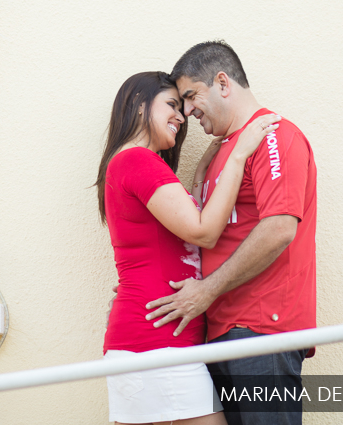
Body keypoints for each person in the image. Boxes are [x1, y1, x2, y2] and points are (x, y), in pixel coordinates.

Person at [144, 41, 317, 425]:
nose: (187, 112)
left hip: (260, 331)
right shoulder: (225, 149)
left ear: (223, 83)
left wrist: (206, 291)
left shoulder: (273, 135)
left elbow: (279, 228)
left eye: (190, 96)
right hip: (223, 331)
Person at [96, 71, 280, 425]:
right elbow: (203, 232)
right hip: (157, 344)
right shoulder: (137, 160)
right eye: (171, 105)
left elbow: (172, 236)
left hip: (150, 341)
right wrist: (240, 154)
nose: (181, 117)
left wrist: (200, 176)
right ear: (137, 104)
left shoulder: (129, 163)